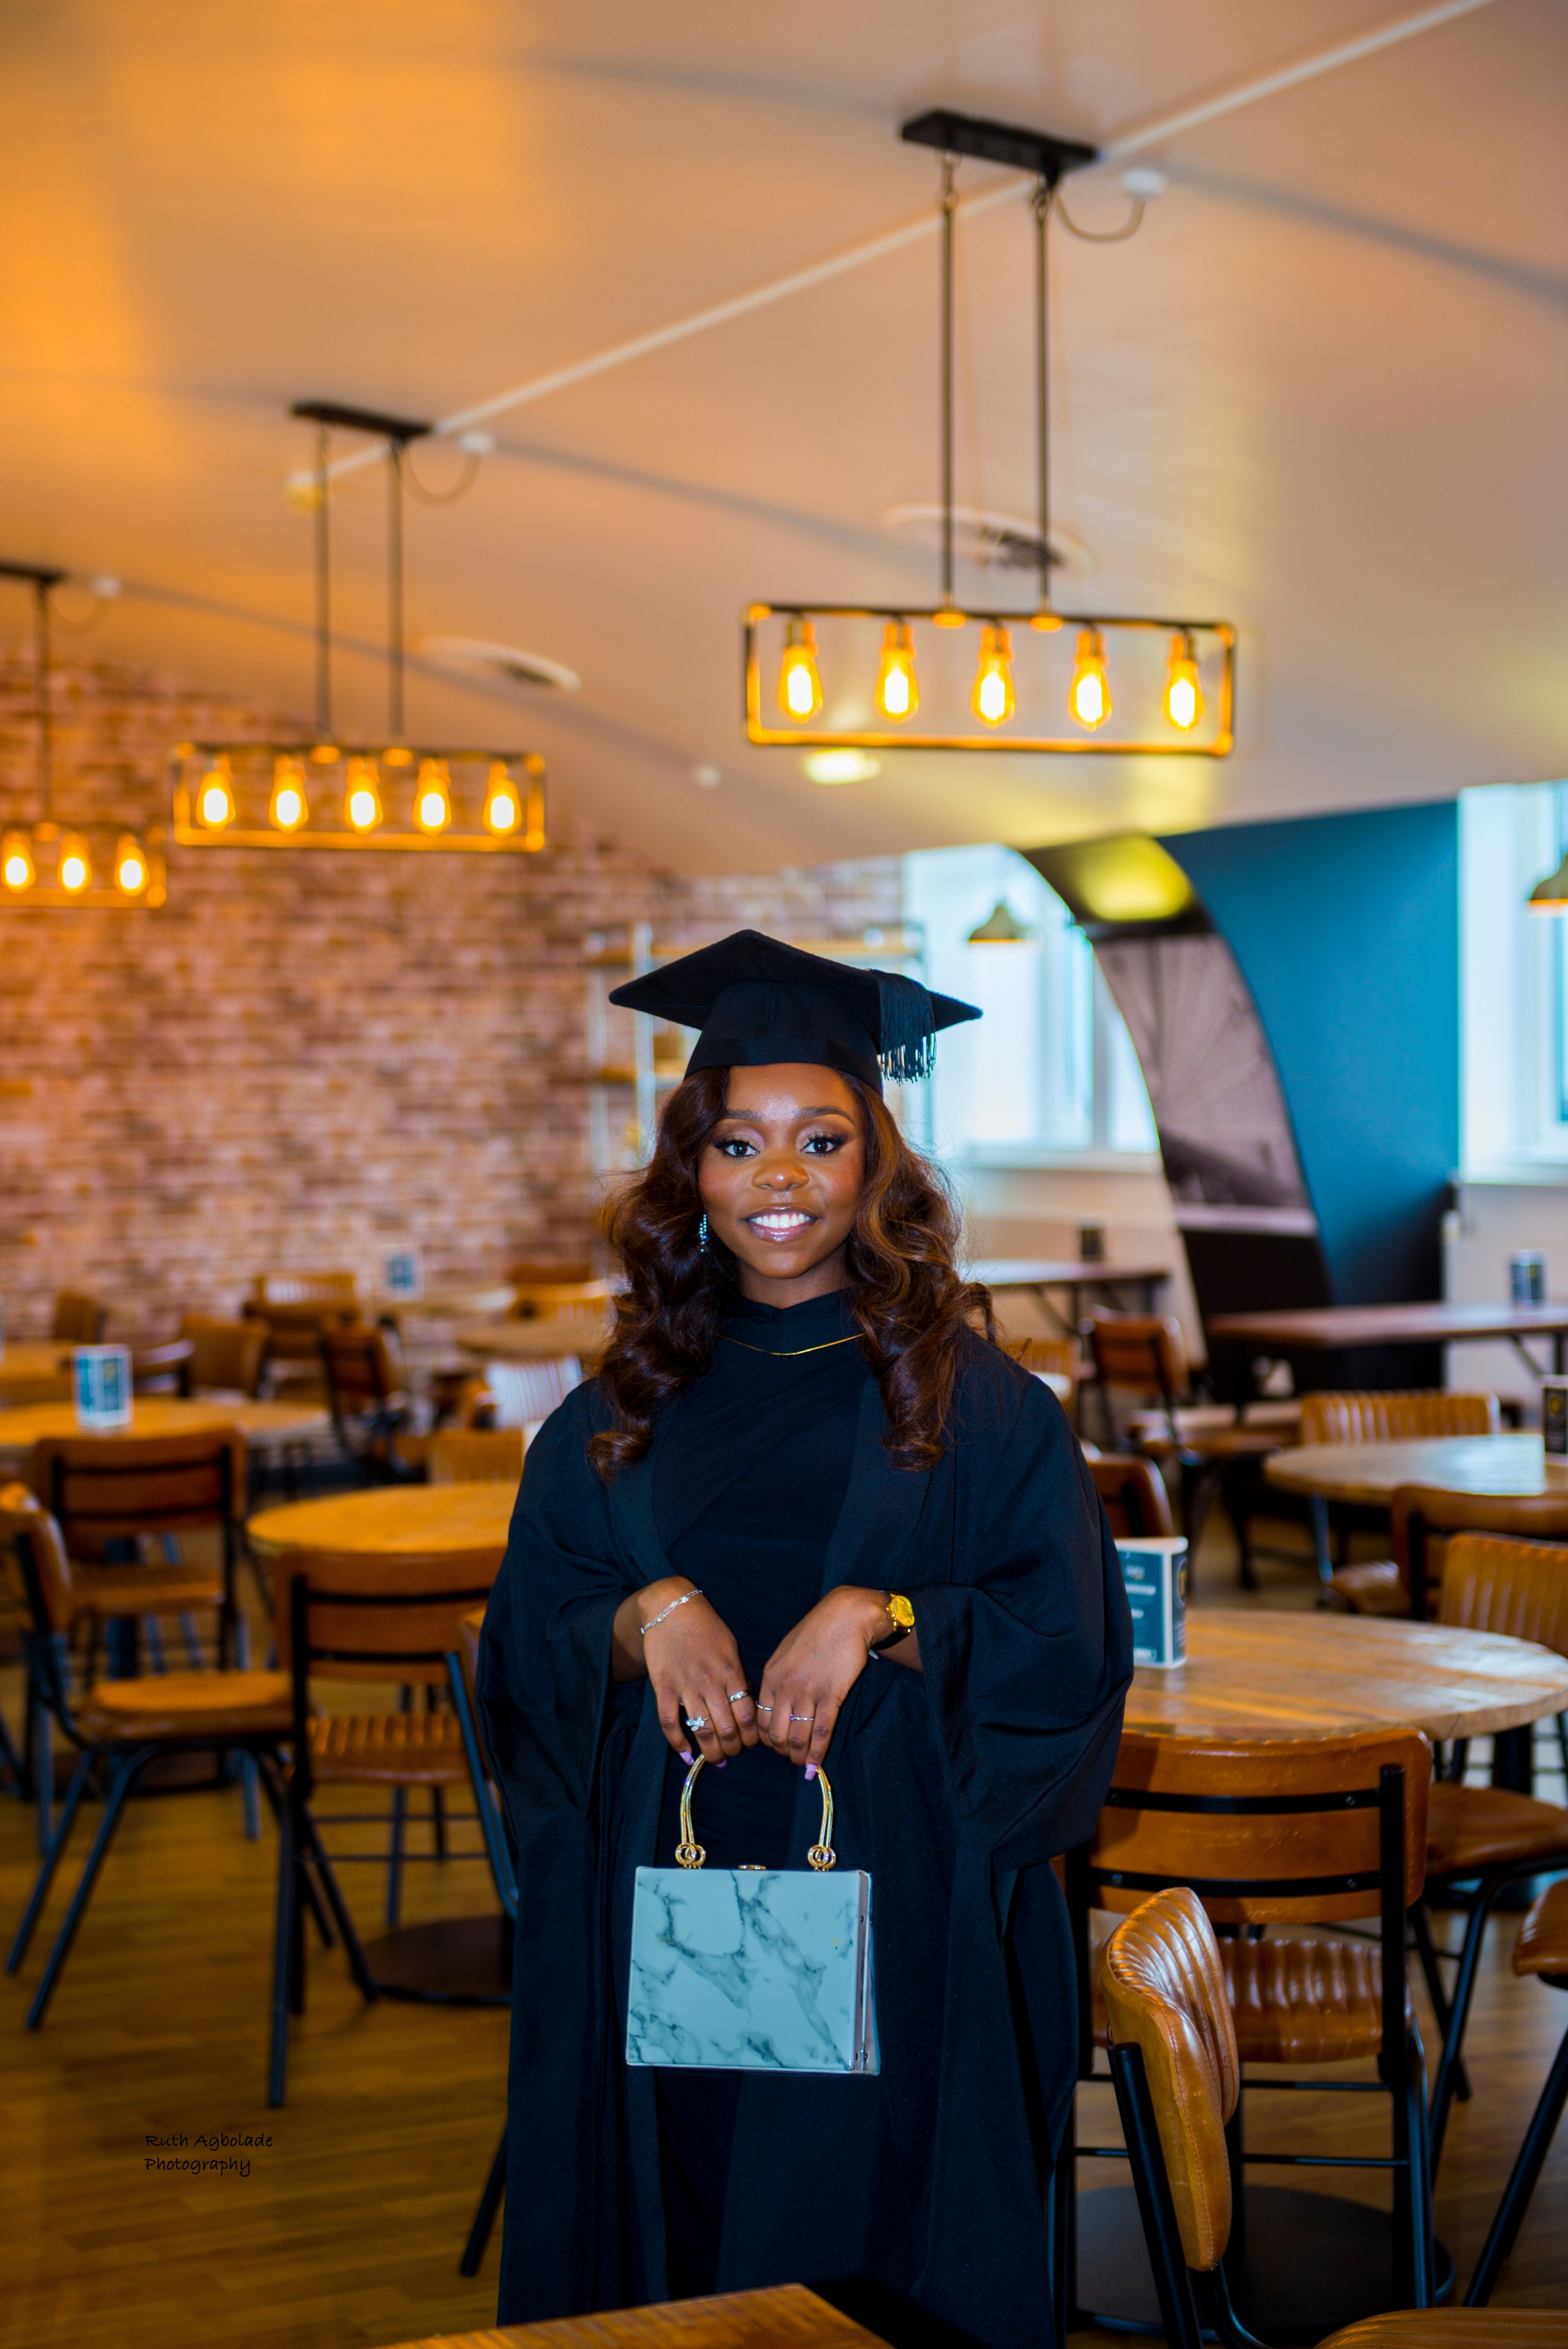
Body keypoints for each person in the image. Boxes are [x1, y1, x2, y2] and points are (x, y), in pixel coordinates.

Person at [477, 930, 1133, 2349]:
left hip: (893, 1903)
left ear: (873, 1163)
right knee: (685, 2227)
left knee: (860, 2244)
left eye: (819, 1140)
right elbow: (524, 1646)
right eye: (737, 1143)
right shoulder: (614, 1411)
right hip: (666, 1892)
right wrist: (640, 1616)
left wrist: (887, 1617)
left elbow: (1066, 1648)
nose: (778, 1176)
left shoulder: (981, 1408)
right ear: (692, 1173)